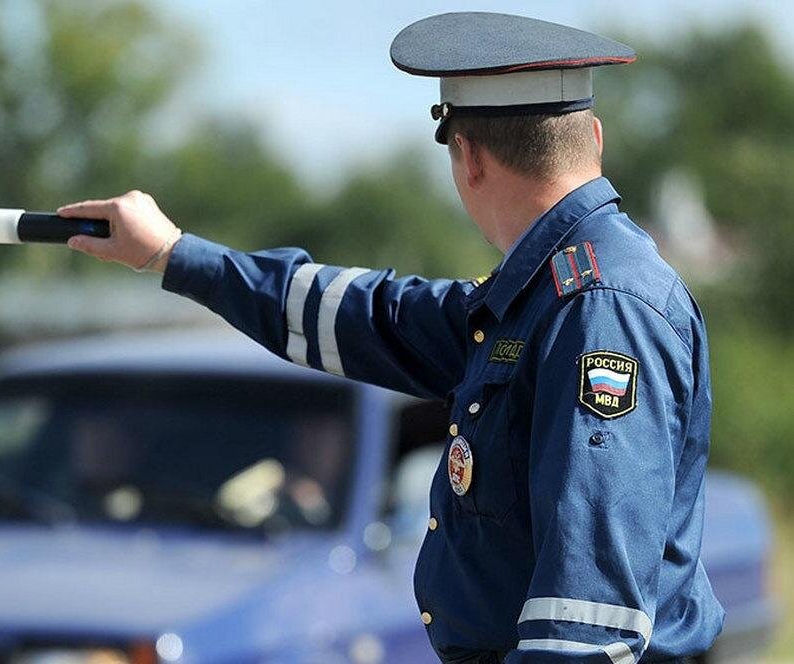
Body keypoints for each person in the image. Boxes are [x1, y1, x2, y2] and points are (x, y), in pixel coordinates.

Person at [57, 11, 723, 664]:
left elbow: (586, 625)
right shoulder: (544, 295)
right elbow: (370, 316)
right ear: (594, 138)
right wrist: (174, 254)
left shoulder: (595, 307)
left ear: (466, 155)